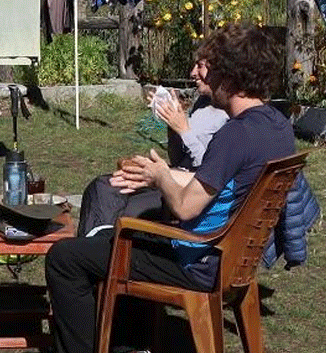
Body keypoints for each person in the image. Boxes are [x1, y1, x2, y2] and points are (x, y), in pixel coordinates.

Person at [29, 24, 295, 353]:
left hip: (197, 260)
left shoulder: (235, 135)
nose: (204, 76)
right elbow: (221, 183)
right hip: (233, 257)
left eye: (212, 69)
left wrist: (158, 177)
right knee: (126, 238)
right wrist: (161, 177)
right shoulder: (276, 127)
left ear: (231, 77)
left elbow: (186, 207)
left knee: (66, 258)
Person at [76, 59, 229, 238]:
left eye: (200, 66)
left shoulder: (229, 115)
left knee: (123, 207)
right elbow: (179, 159)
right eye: (193, 64)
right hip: (172, 175)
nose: (193, 73)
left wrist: (184, 130)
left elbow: (210, 170)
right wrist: (172, 127)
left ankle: (96, 251)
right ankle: (91, 248)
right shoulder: (203, 102)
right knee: (101, 186)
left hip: (190, 191)